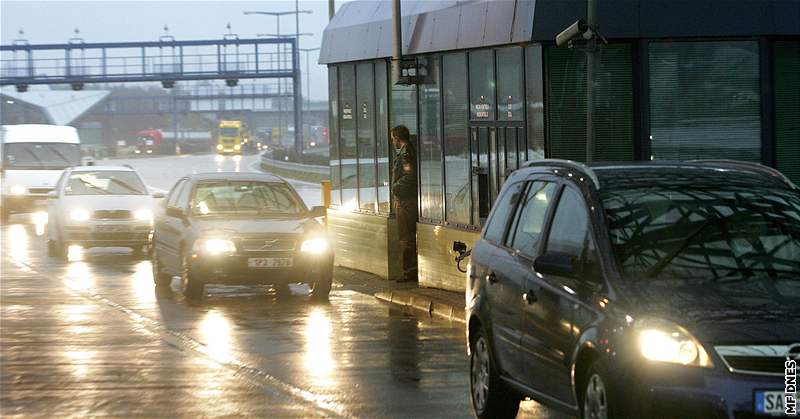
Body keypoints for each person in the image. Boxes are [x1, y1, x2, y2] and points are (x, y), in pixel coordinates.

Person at [390, 125, 418, 282]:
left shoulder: (405, 154)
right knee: (408, 237)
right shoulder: (408, 152)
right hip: (407, 201)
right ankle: (410, 270)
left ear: (397, 139)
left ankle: (409, 272)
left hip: (406, 202)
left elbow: (410, 176)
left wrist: (395, 188)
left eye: (393, 139)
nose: (393, 142)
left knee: (406, 238)